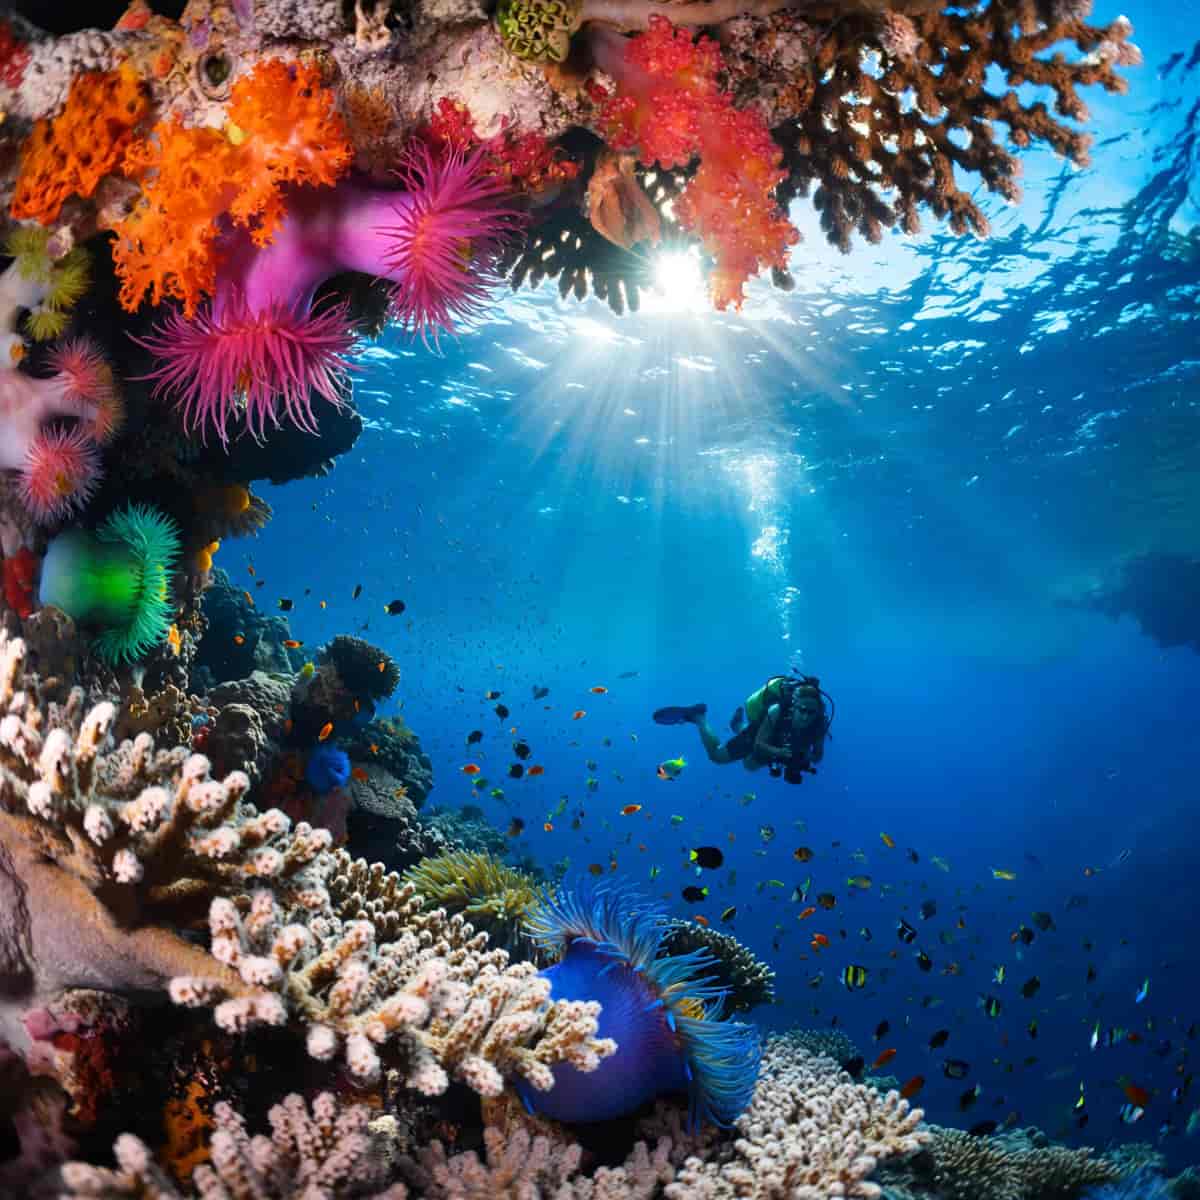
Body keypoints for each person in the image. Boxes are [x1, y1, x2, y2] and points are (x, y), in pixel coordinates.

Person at [653, 674, 831, 782]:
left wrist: (806, 756)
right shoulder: (777, 711)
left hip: (777, 745)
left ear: (818, 711)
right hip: (765, 736)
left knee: (749, 766)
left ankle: (738, 725)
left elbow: (818, 755)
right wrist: (779, 751)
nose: (806, 715)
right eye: (802, 710)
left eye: (811, 712)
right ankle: (700, 717)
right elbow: (760, 743)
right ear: (794, 705)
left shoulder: (819, 723)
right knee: (717, 757)